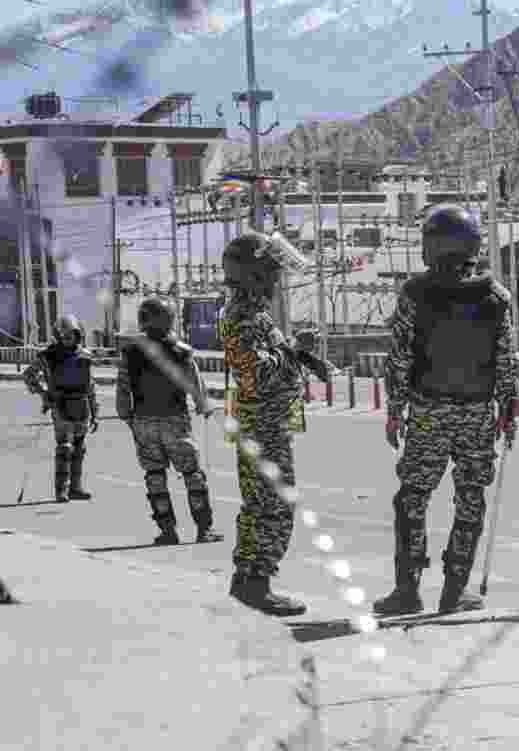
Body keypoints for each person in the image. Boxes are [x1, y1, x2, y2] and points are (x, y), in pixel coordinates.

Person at [375, 205, 519, 617]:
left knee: (412, 498)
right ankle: (455, 591)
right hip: (477, 414)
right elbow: (506, 361)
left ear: (432, 247)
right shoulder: (497, 297)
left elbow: (399, 358)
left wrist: (395, 410)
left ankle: (407, 589)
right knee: (470, 498)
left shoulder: (414, 294)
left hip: (427, 412)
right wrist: (508, 410)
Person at [219, 231, 329, 617]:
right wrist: (292, 350)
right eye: (270, 273)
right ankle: (256, 583)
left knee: (264, 504)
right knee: (272, 505)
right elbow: (255, 374)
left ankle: (249, 581)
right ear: (253, 277)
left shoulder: (254, 314)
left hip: (268, 423)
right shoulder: (243, 318)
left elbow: (269, 361)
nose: (276, 281)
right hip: (262, 425)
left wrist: (301, 357)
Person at [117, 297, 221, 545]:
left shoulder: (130, 352)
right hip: (175, 420)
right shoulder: (181, 351)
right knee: (192, 474)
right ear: (170, 319)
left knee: (154, 475)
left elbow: (122, 389)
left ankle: (167, 531)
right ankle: (203, 529)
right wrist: (202, 405)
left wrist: (127, 416)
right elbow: (195, 384)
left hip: (143, 422)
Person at [23, 314, 99, 503]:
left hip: (81, 404)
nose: (67, 340)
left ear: (77, 335)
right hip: (60, 404)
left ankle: (76, 488)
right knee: (64, 447)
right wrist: (43, 393)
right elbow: (29, 375)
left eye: (70, 336)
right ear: (57, 336)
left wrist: (95, 413)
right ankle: (61, 490)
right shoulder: (47, 356)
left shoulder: (85, 356)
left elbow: (90, 385)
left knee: (79, 448)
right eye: (63, 336)